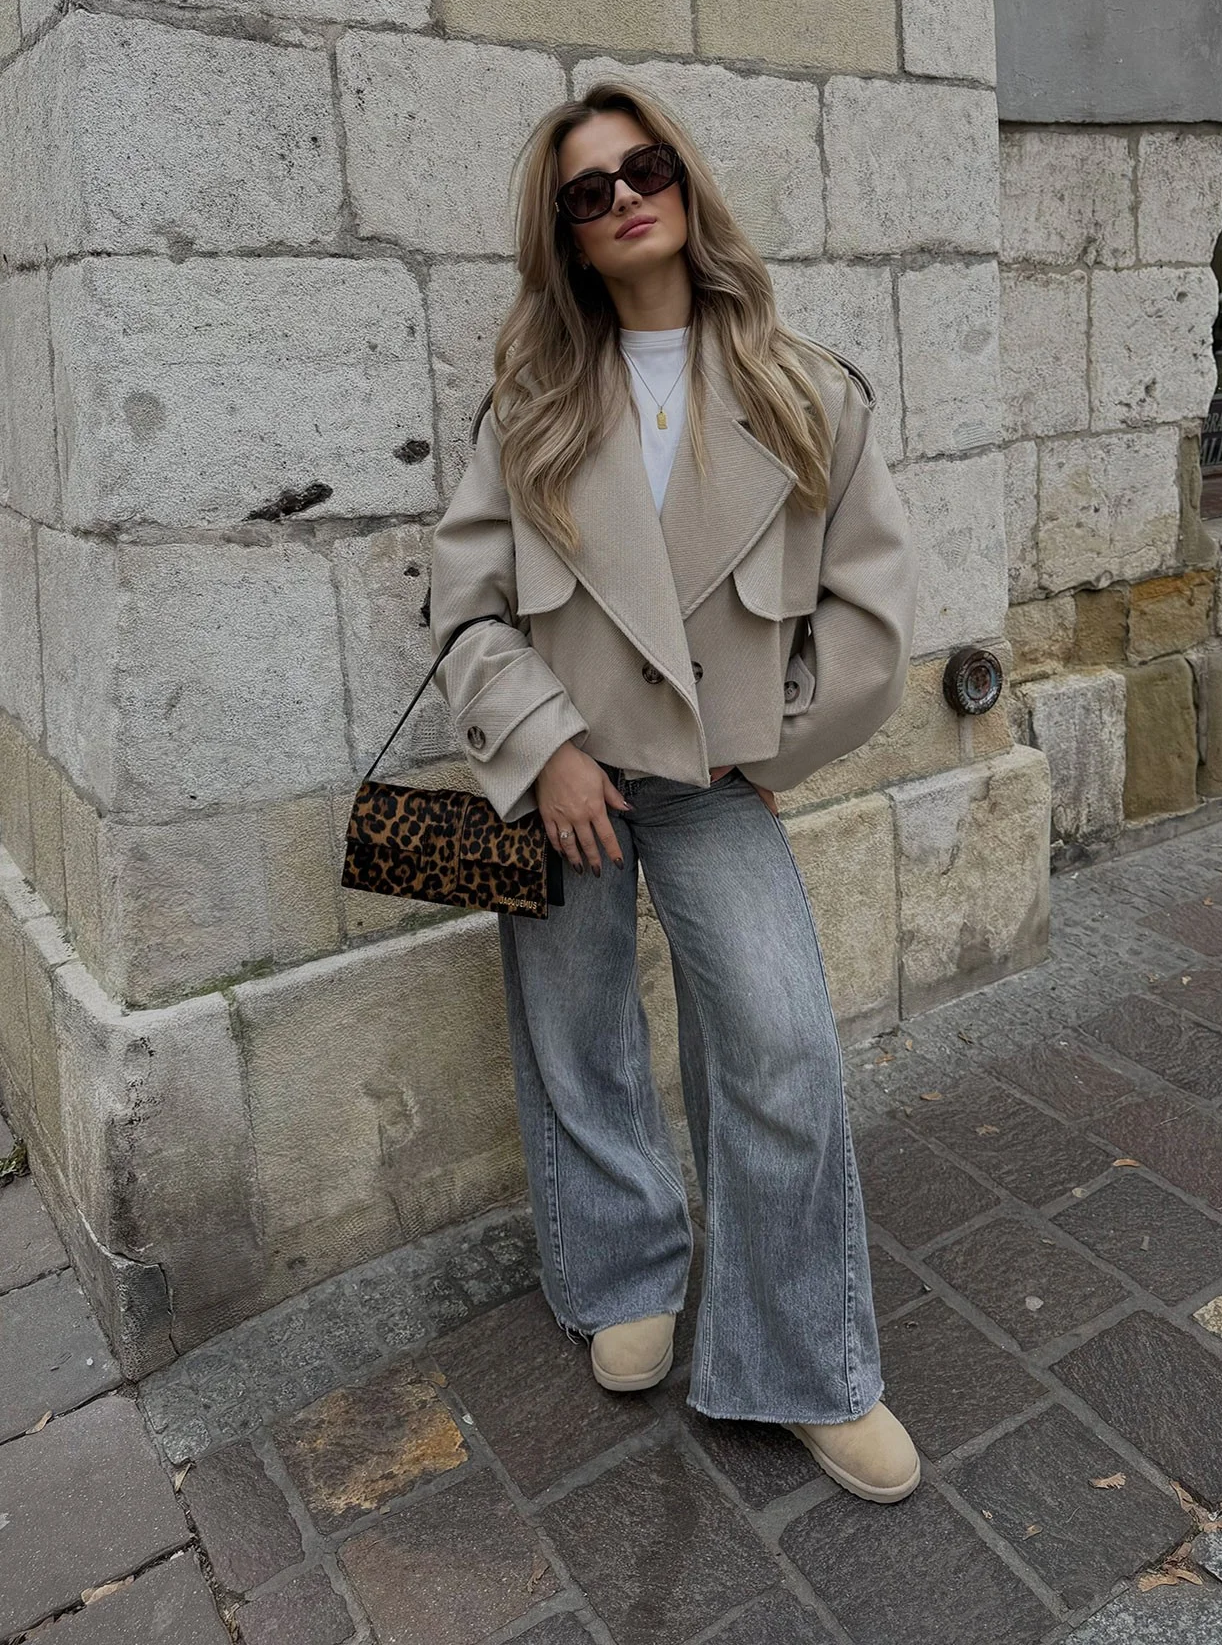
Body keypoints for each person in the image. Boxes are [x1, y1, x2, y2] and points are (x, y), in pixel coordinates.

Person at [429, 80, 922, 1504]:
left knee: (779, 1049)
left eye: (642, 168)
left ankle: (801, 1362)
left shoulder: (805, 391)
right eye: (588, 191)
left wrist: (757, 750)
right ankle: (623, 1273)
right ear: (567, 235)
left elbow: (871, 616)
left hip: (712, 781)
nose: (624, 200)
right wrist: (546, 748)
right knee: (576, 1034)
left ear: (684, 181)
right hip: (564, 781)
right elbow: (466, 610)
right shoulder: (527, 407)